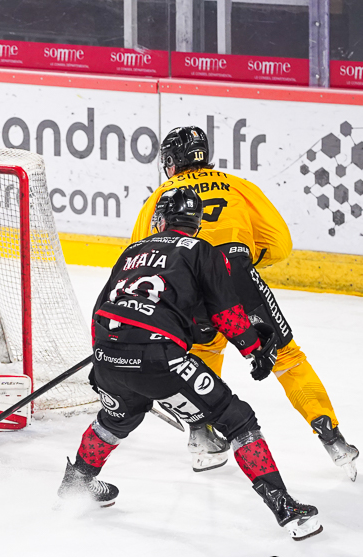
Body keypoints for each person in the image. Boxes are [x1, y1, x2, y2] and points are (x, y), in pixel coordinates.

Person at [58, 187, 322, 540]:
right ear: (195, 223)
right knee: (237, 419)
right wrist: (253, 350)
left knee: (116, 419)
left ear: (162, 219)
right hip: (159, 358)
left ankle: (77, 482)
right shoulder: (202, 251)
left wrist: (107, 359)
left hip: (106, 354)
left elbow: (101, 309)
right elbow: (227, 313)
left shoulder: (132, 250)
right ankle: (287, 509)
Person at [131, 126, 358, 481]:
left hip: (190, 284)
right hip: (237, 274)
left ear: (171, 162)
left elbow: (144, 256)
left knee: (203, 355)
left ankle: (201, 437)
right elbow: (280, 244)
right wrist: (244, 260)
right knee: (286, 357)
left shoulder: (160, 196)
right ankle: (333, 438)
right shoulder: (238, 186)